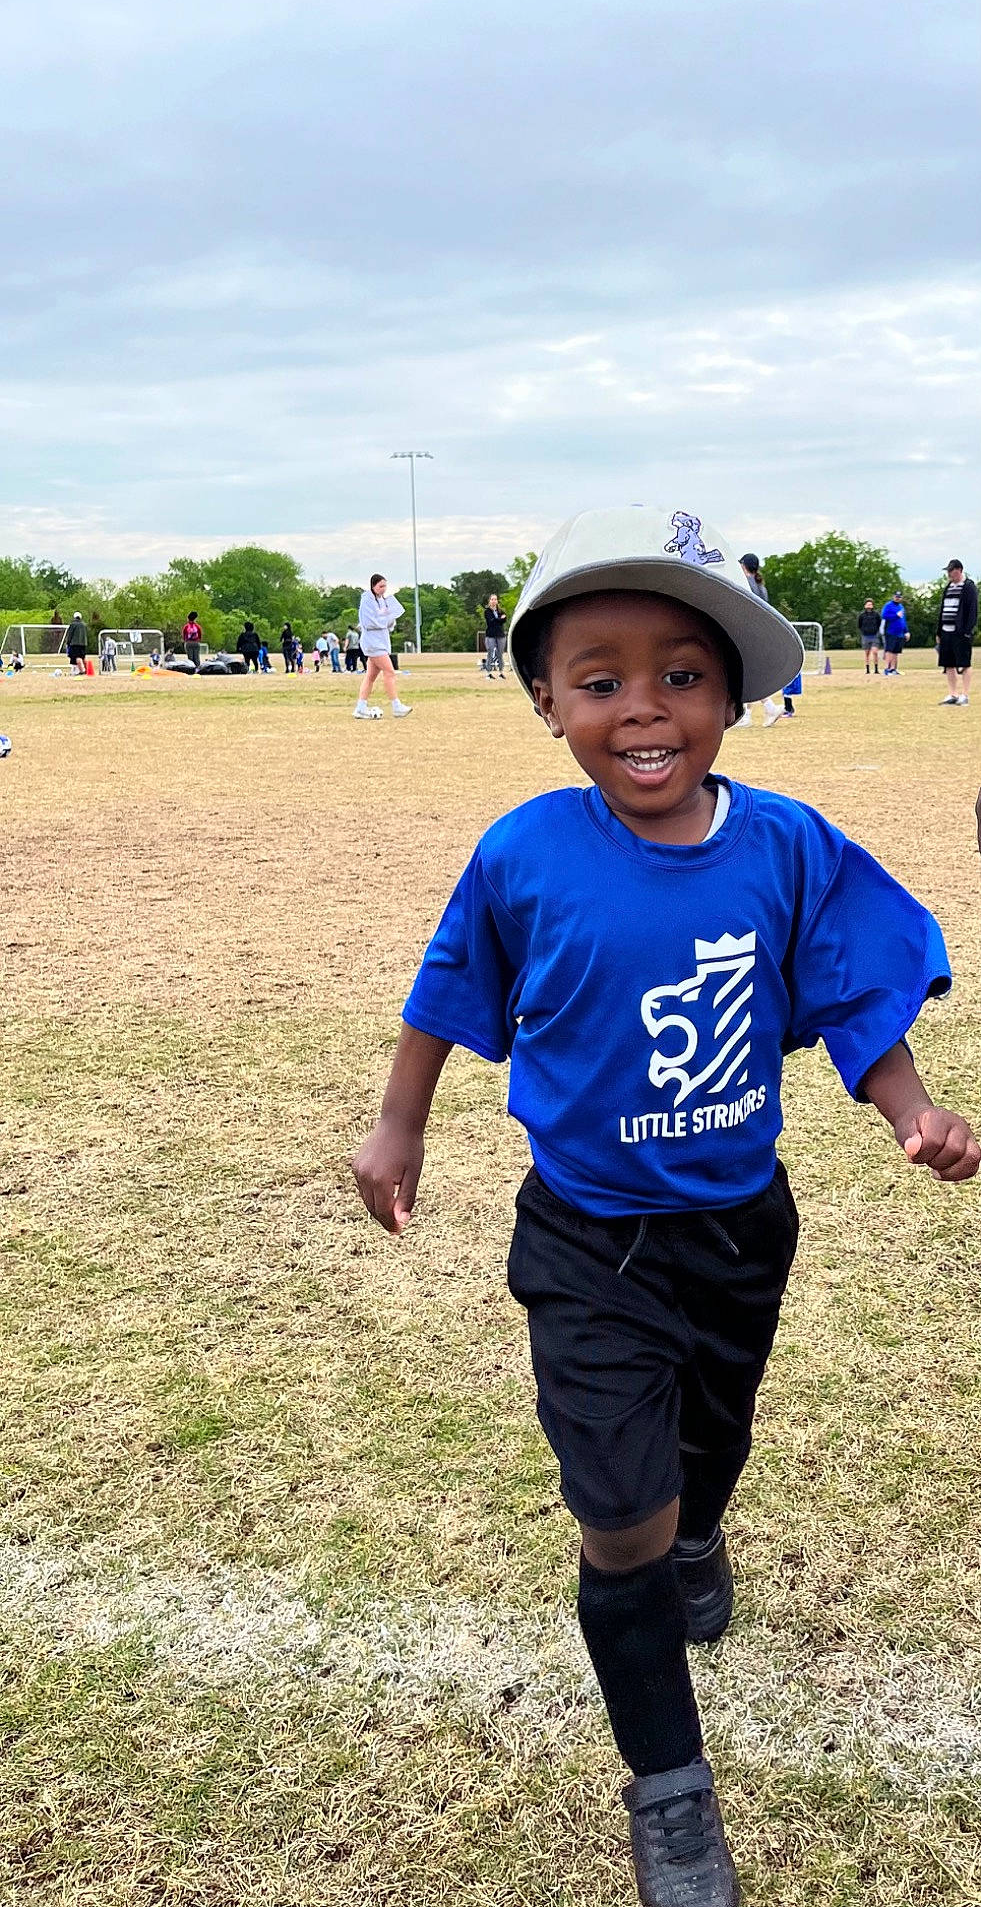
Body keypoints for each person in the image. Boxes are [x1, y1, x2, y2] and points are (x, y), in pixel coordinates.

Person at [352, 506, 979, 1907]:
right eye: (600, 677)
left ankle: (702, 1534)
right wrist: (399, 1122)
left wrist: (911, 1109)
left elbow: (848, 995)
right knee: (620, 1509)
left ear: (732, 696)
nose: (643, 707)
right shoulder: (522, 854)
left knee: (714, 1442)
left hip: (739, 1225)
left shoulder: (786, 846)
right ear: (546, 701)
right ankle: (670, 1787)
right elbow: (446, 993)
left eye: (681, 674)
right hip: (584, 1238)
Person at [354, 574, 412, 720]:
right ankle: (396, 705)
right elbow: (369, 622)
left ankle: (360, 707)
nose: (383, 589)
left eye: (385, 586)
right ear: (373, 586)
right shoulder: (367, 600)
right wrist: (386, 619)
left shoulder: (383, 601)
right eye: (380, 586)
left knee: (370, 677)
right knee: (389, 672)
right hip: (373, 643)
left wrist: (390, 618)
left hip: (382, 642)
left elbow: (388, 622)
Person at [735, 555, 782, 725]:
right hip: (758, 632)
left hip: (746, 632)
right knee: (748, 673)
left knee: (744, 673)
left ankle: (750, 714)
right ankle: (763, 709)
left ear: (744, 565)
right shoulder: (761, 585)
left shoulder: (744, 581)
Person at [936, 557, 977, 707]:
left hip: (961, 633)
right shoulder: (948, 587)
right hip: (946, 632)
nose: (948, 575)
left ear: (959, 570)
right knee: (949, 664)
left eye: (950, 571)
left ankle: (964, 695)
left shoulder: (968, 587)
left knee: (964, 663)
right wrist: (939, 631)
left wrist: (967, 631)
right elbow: (942, 610)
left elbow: (972, 611)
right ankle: (953, 694)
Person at [880, 591, 909, 675]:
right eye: (896, 596)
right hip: (891, 631)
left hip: (900, 633)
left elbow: (903, 620)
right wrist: (896, 615)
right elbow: (884, 616)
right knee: (889, 650)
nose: (898, 598)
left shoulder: (901, 606)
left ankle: (893, 669)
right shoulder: (888, 605)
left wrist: (906, 631)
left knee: (896, 651)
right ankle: (887, 669)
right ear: (893, 597)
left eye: (899, 597)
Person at [484, 594, 508, 678]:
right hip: (491, 635)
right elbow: (491, 622)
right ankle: (488, 672)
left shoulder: (501, 611)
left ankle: (501, 672)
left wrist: (498, 619)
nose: (494, 601)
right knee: (490, 652)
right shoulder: (487, 611)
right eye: (492, 599)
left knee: (500, 654)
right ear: (489, 601)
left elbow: (504, 619)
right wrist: (500, 619)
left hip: (500, 635)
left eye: (495, 599)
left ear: (497, 601)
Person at [858, 599, 881, 674]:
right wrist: (863, 631)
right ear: (865, 606)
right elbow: (859, 625)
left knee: (875, 652)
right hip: (865, 636)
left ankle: (876, 669)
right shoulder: (862, 615)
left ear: (872, 606)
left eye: (870, 604)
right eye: (868, 604)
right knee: (867, 653)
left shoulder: (876, 615)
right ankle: (867, 669)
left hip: (874, 635)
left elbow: (879, 623)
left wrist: (877, 632)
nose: (869, 606)